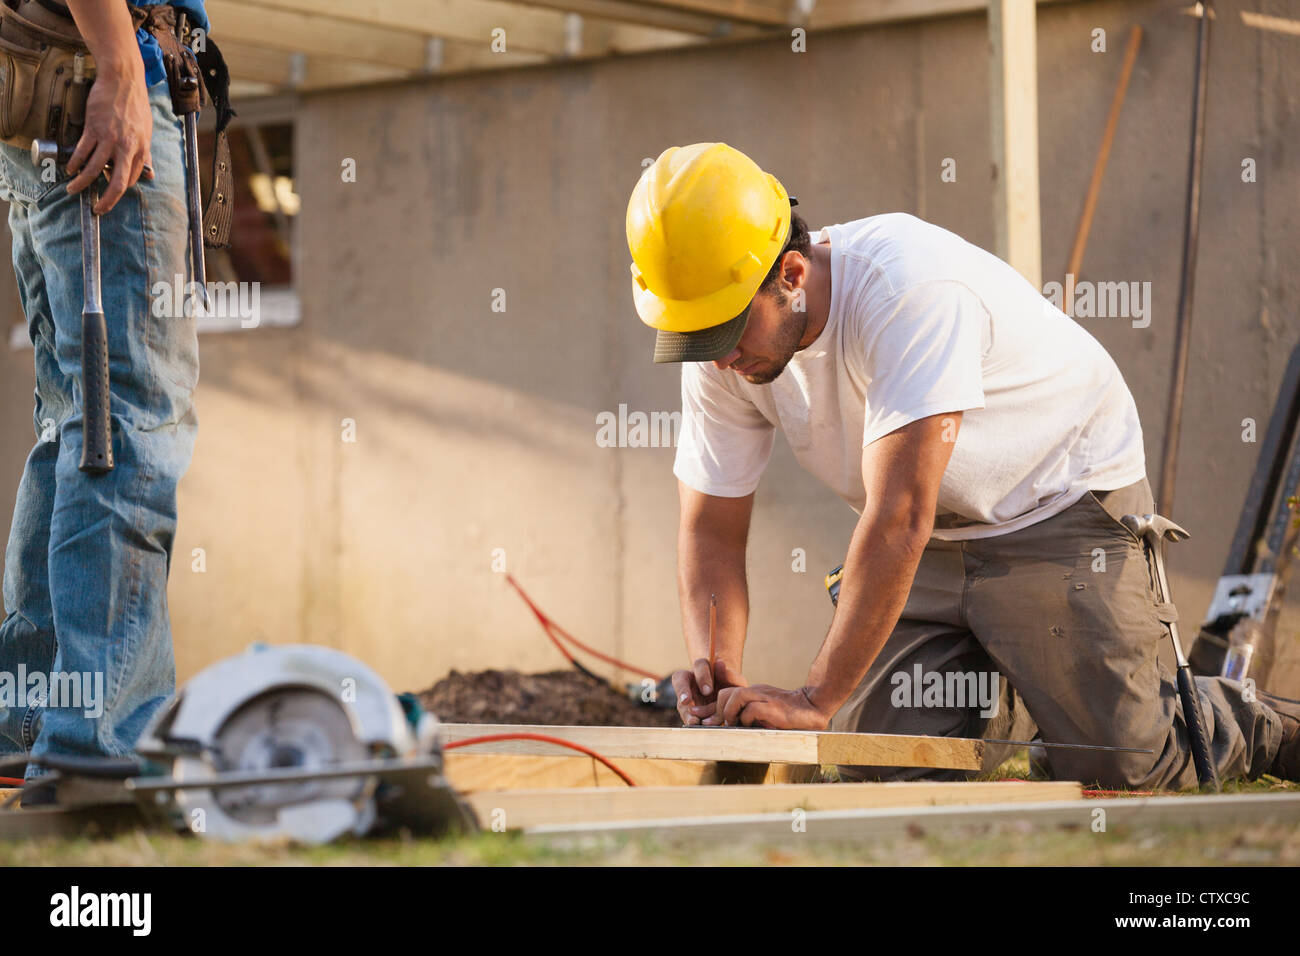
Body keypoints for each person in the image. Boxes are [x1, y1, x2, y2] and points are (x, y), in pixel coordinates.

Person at [627, 142, 1298, 787]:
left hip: (1058, 507)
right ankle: (1029, 674)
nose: (717, 359)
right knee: (882, 759)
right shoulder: (722, 348)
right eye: (695, 336)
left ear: (792, 277)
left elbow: (900, 515)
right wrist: (716, 671)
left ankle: (1255, 721)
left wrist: (813, 697)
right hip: (933, 540)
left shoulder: (908, 291)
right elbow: (711, 526)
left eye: (725, 331)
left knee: (1123, 761)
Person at [0, 0, 209, 799]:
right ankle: (101, 740)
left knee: (75, 422)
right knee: (129, 419)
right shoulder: (114, 68)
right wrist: (121, 64)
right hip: (94, 81)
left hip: (54, 91)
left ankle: (31, 713)